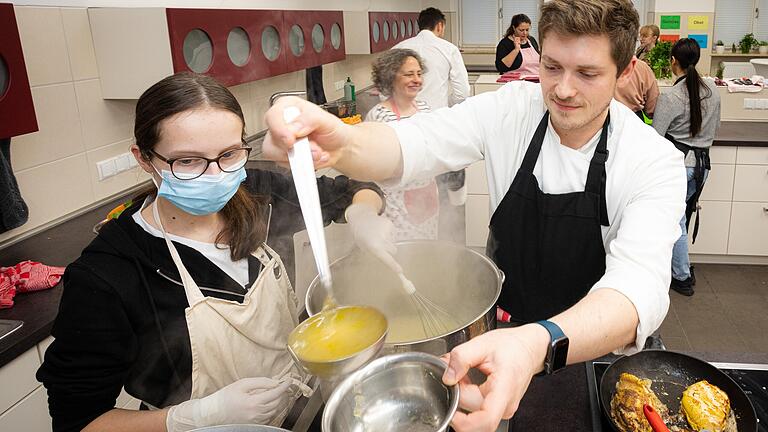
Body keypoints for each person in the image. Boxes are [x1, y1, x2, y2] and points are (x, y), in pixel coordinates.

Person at [263, 0, 686, 430]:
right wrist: (340, 145)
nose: (562, 90)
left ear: (626, 68)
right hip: (504, 333)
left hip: (593, 352)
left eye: (588, 74)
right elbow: (416, 142)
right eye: (552, 67)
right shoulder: (511, 110)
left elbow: (635, 291)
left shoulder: (652, 161)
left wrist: (533, 345)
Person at [36, 72, 392, 432]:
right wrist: (195, 416)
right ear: (144, 158)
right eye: (188, 161)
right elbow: (78, 420)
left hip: (298, 410)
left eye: (228, 154)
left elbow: (357, 187)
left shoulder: (255, 193)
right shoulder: (108, 274)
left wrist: (362, 213)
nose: (215, 174)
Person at [653, 38, 721, 297]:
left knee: (676, 222)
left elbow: (656, 136)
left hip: (678, 165)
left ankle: (681, 277)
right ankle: (679, 269)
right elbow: (715, 129)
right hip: (702, 165)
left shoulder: (671, 96)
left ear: (673, 61)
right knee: (683, 216)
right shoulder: (712, 90)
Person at [365, 49, 440, 241]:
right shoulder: (379, 116)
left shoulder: (424, 109)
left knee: (429, 251)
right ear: (390, 78)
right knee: (403, 253)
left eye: (419, 73)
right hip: (396, 204)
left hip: (427, 196)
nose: (417, 79)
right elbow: (372, 166)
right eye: (409, 74)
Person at [392, 7, 470, 110]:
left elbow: (385, 89)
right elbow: (462, 93)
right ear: (440, 26)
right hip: (436, 115)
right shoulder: (449, 49)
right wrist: (445, 103)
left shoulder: (398, 48)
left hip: (404, 117)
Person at [614, 55, 660, 121]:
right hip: (633, 119)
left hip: (603, 121)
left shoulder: (599, 64)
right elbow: (652, 106)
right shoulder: (641, 67)